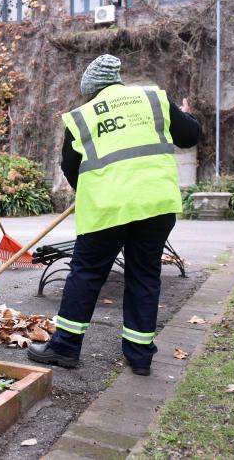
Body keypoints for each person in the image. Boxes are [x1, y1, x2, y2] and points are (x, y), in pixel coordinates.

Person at [27, 54, 201, 376]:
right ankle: (139, 356)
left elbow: (69, 166)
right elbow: (190, 136)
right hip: (155, 205)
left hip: (106, 209)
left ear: (91, 90)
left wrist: (91, 189)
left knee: (87, 273)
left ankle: (64, 348)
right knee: (144, 274)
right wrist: (186, 115)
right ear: (118, 82)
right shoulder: (154, 99)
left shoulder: (82, 116)